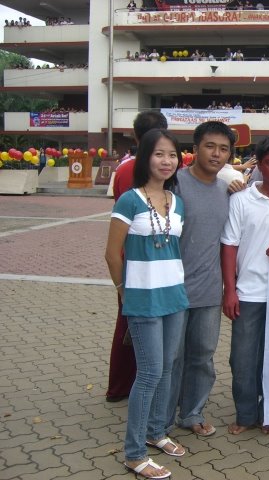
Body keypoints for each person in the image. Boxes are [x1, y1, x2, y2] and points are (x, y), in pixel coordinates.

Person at [105, 129, 189, 479]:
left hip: (175, 296)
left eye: (172, 155)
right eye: (159, 154)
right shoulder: (129, 200)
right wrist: (125, 290)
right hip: (143, 299)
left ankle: (156, 432)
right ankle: (134, 453)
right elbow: (111, 254)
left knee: (168, 367)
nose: (166, 161)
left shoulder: (176, 201)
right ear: (145, 158)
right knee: (150, 372)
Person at [221, 136, 269, 435]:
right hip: (249, 292)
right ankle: (246, 414)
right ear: (259, 165)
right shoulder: (241, 199)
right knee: (242, 359)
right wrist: (230, 289)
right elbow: (229, 245)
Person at [166, 121, 235, 438]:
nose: (216, 154)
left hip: (209, 290)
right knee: (171, 359)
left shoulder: (227, 190)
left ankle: (192, 413)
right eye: (210, 146)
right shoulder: (174, 184)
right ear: (194, 149)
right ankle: (161, 419)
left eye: (223, 149)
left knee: (202, 356)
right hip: (172, 290)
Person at [107, 111, 168, 403]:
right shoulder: (151, 174)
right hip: (140, 260)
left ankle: (120, 386)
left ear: (133, 136)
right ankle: (129, 387)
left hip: (133, 259)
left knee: (129, 325)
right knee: (135, 325)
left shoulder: (122, 170)